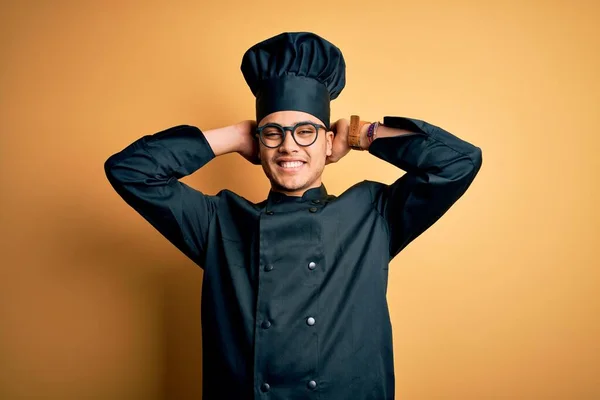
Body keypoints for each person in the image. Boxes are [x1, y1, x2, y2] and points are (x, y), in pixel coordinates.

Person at [105, 32, 482, 400]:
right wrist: (235, 135)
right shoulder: (219, 222)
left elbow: (458, 162)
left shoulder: (372, 213)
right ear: (258, 143)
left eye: (305, 132)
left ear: (329, 141)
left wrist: (362, 133)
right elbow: (130, 171)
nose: (288, 146)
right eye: (273, 133)